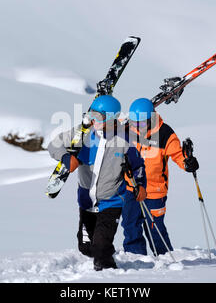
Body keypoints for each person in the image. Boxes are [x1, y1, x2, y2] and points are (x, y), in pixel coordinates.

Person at [48, 95, 147, 271]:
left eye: (99, 117)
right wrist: (65, 157)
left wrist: (141, 186)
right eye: (91, 114)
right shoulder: (81, 133)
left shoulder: (125, 141)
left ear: (111, 118)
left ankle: (108, 271)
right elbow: (53, 145)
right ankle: (103, 251)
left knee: (100, 249)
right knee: (86, 247)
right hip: (86, 202)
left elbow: (138, 166)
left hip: (112, 201)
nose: (93, 120)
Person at [121, 98, 199, 256]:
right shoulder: (126, 132)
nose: (138, 127)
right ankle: (136, 258)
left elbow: (177, 154)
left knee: (154, 227)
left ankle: (164, 258)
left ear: (151, 118)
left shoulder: (164, 133)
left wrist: (187, 162)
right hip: (132, 187)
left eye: (142, 123)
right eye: (135, 123)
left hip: (155, 190)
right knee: (130, 225)